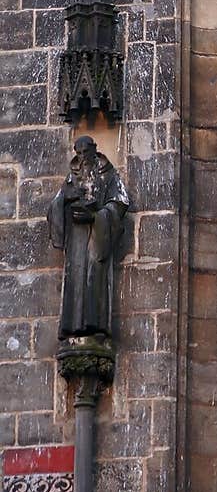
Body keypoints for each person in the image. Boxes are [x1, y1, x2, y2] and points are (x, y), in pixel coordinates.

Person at [47, 136, 130, 340]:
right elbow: (54, 208)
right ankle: (71, 327)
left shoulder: (108, 176)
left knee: (95, 277)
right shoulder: (71, 178)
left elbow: (119, 203)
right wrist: (66, 198)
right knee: (75, 278)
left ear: (94, 150)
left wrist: (95, 216)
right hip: (75, 239)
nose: (83, 157)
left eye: (86, 152)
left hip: (96, 235)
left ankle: (96, 326)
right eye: (79, 152)